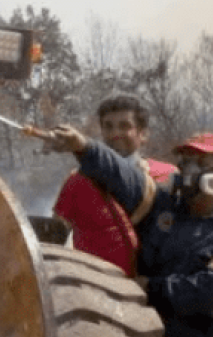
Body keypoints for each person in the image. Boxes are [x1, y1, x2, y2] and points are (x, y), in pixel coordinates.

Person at [48, 126, 213, 337]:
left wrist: (151, 287)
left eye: (201, 162)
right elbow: (118, 173)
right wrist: (82, 145)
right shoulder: (158, 205)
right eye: (186, 161)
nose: (190, 169)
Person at [51, 94, 175, 276]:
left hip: (153, 286)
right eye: (108, 127)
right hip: (95, 286)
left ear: (143, 134)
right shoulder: (78, 181)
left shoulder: (166, 175)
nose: (115, 134)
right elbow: (55, 238)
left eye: (125, 126)